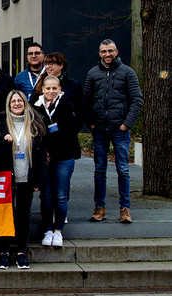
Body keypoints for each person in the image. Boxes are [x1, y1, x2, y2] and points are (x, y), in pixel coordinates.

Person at [84, 39, 143, 223]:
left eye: (110, 51)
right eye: (104, 51)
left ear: (116, 52)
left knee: (123, 169)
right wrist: (91, 123)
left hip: (120, 129)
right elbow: (85, 101)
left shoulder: (127, 73)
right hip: (100, 129)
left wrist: (126, 124)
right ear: (99, 53)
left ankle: (124, 209)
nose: (107, 54)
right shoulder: (93, 73)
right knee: (99, 170)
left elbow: (137, 100)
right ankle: (99, 208)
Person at [0, 90, 46, 269]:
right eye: (13, 101)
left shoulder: (35, 124)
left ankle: (21, 251)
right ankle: (4, 251)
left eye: (20, 100)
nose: (17, 104)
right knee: (6, 214)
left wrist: (39, 180)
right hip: (6, 178)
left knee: (23, 215)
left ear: (25, 103)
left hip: (27, 177)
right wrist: (1, 140)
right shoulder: (0, 123)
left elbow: (42, 155)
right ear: (8, 104)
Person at [33, 76, 81, 247]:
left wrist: (52, 142)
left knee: (60, 196)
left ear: (60, 89)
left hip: (64, 156)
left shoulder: (67, 104)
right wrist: (44, 151)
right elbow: (36, 133)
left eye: (55, 88)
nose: (51, 92)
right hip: (44, 158)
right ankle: (47, 229)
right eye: (48, 88)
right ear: (43, 89)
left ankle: (58, 231)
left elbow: (70, 130)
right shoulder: (36, 107)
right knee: (46, 196)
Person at [30, 52, 85, 124]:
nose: (47, 67)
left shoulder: (73, 84)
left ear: (60, 66)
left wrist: (75, 124)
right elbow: (32, 105)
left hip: (67, 129)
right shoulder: (40, 83)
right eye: (46, 64)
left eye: (50, 64)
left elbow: (81, 107)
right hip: (45, 129)